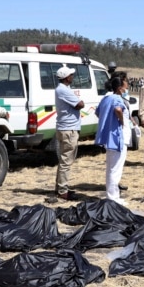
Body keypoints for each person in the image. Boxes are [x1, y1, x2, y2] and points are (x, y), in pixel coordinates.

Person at [96, 76, 131, 205]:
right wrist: (121, 121)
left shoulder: (106, 98)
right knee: (116, 168)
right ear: (119, 87)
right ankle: (113, 197)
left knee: (111, 167)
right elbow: (117, 110)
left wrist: (107, 122)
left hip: (109, 137)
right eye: (125, 84)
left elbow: (98, 112)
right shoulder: (116, 99)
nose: (127, 86)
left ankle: (112, 194)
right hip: (118, 137)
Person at [54, 66, 85, 200]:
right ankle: (62, 191)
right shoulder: (63, 90)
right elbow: (80, 104)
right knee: (66, 161)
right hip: (69, 129)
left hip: (64, 128)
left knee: (63, 160)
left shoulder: (62, 89)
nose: (73, 76)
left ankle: (60, 187)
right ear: (67, 77)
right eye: (71, 75)